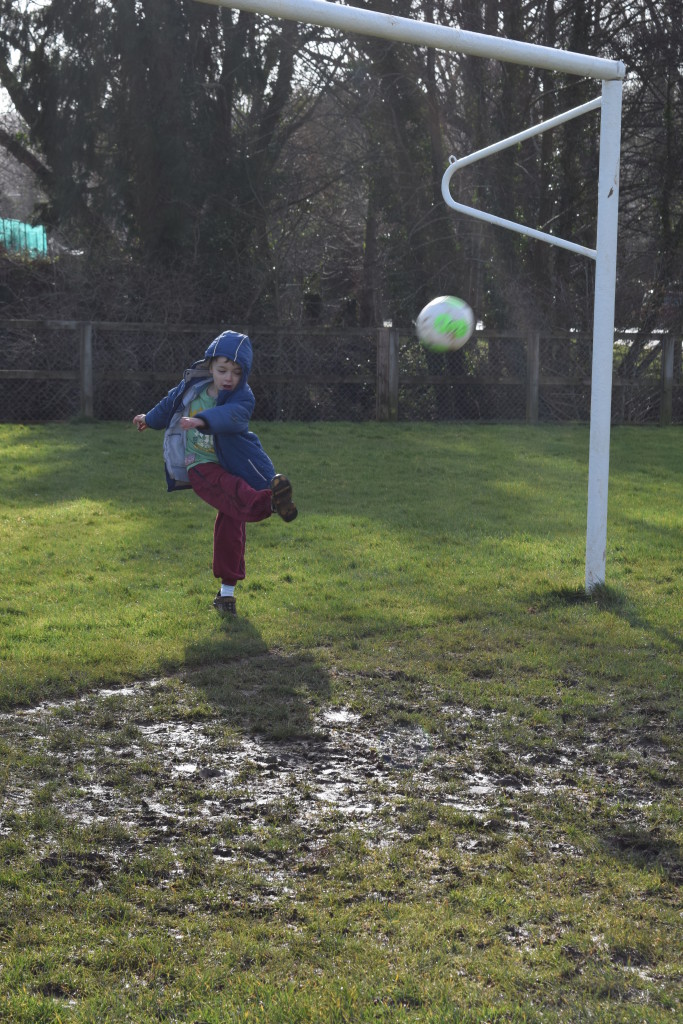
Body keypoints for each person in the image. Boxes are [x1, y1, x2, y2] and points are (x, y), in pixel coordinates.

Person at [133, 330, 297, 616]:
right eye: (222, 370)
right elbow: (169, 402)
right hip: (201, 466)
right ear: (210, 366)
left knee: (231, 527)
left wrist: (201, 420)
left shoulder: (243, 397)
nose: (228, 377)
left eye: (236, 371)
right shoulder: (193, 388)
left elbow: (231, 417)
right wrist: (148, 418)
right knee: (233, 489)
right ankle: (269, 503)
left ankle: (226, 594)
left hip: (231, 462)